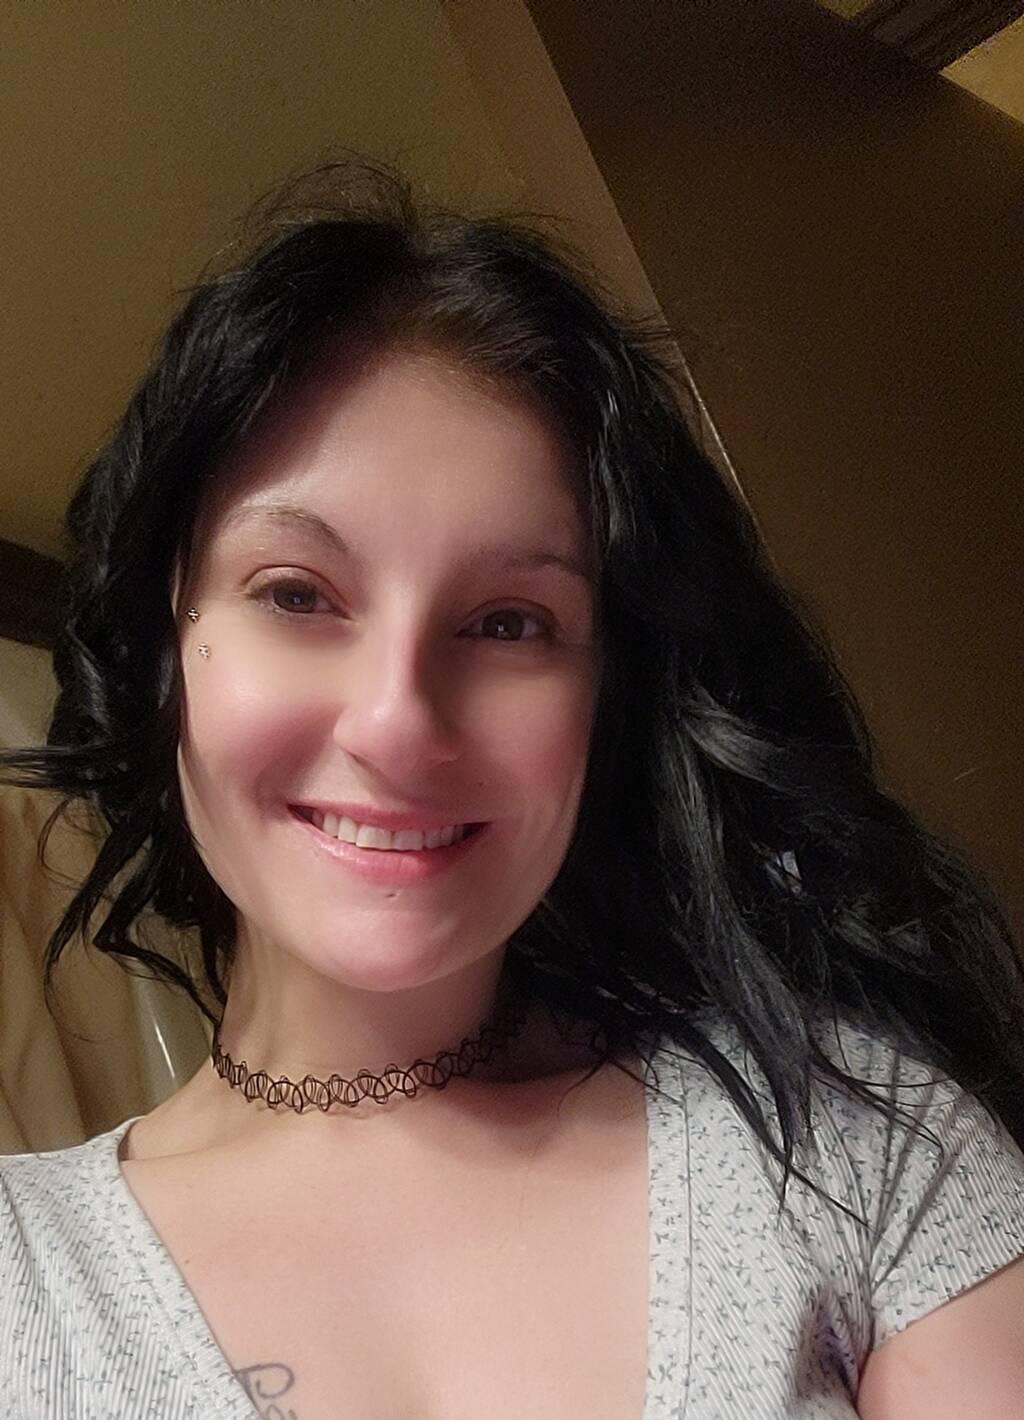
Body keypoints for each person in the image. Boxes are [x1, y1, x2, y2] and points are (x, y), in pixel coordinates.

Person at [1, 157, 1023, 1420]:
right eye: (296, 594)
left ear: (605, 695)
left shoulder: (856, 1145)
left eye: (507, 622)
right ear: (169, 649)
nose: (396, 722)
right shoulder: (22, 1278)